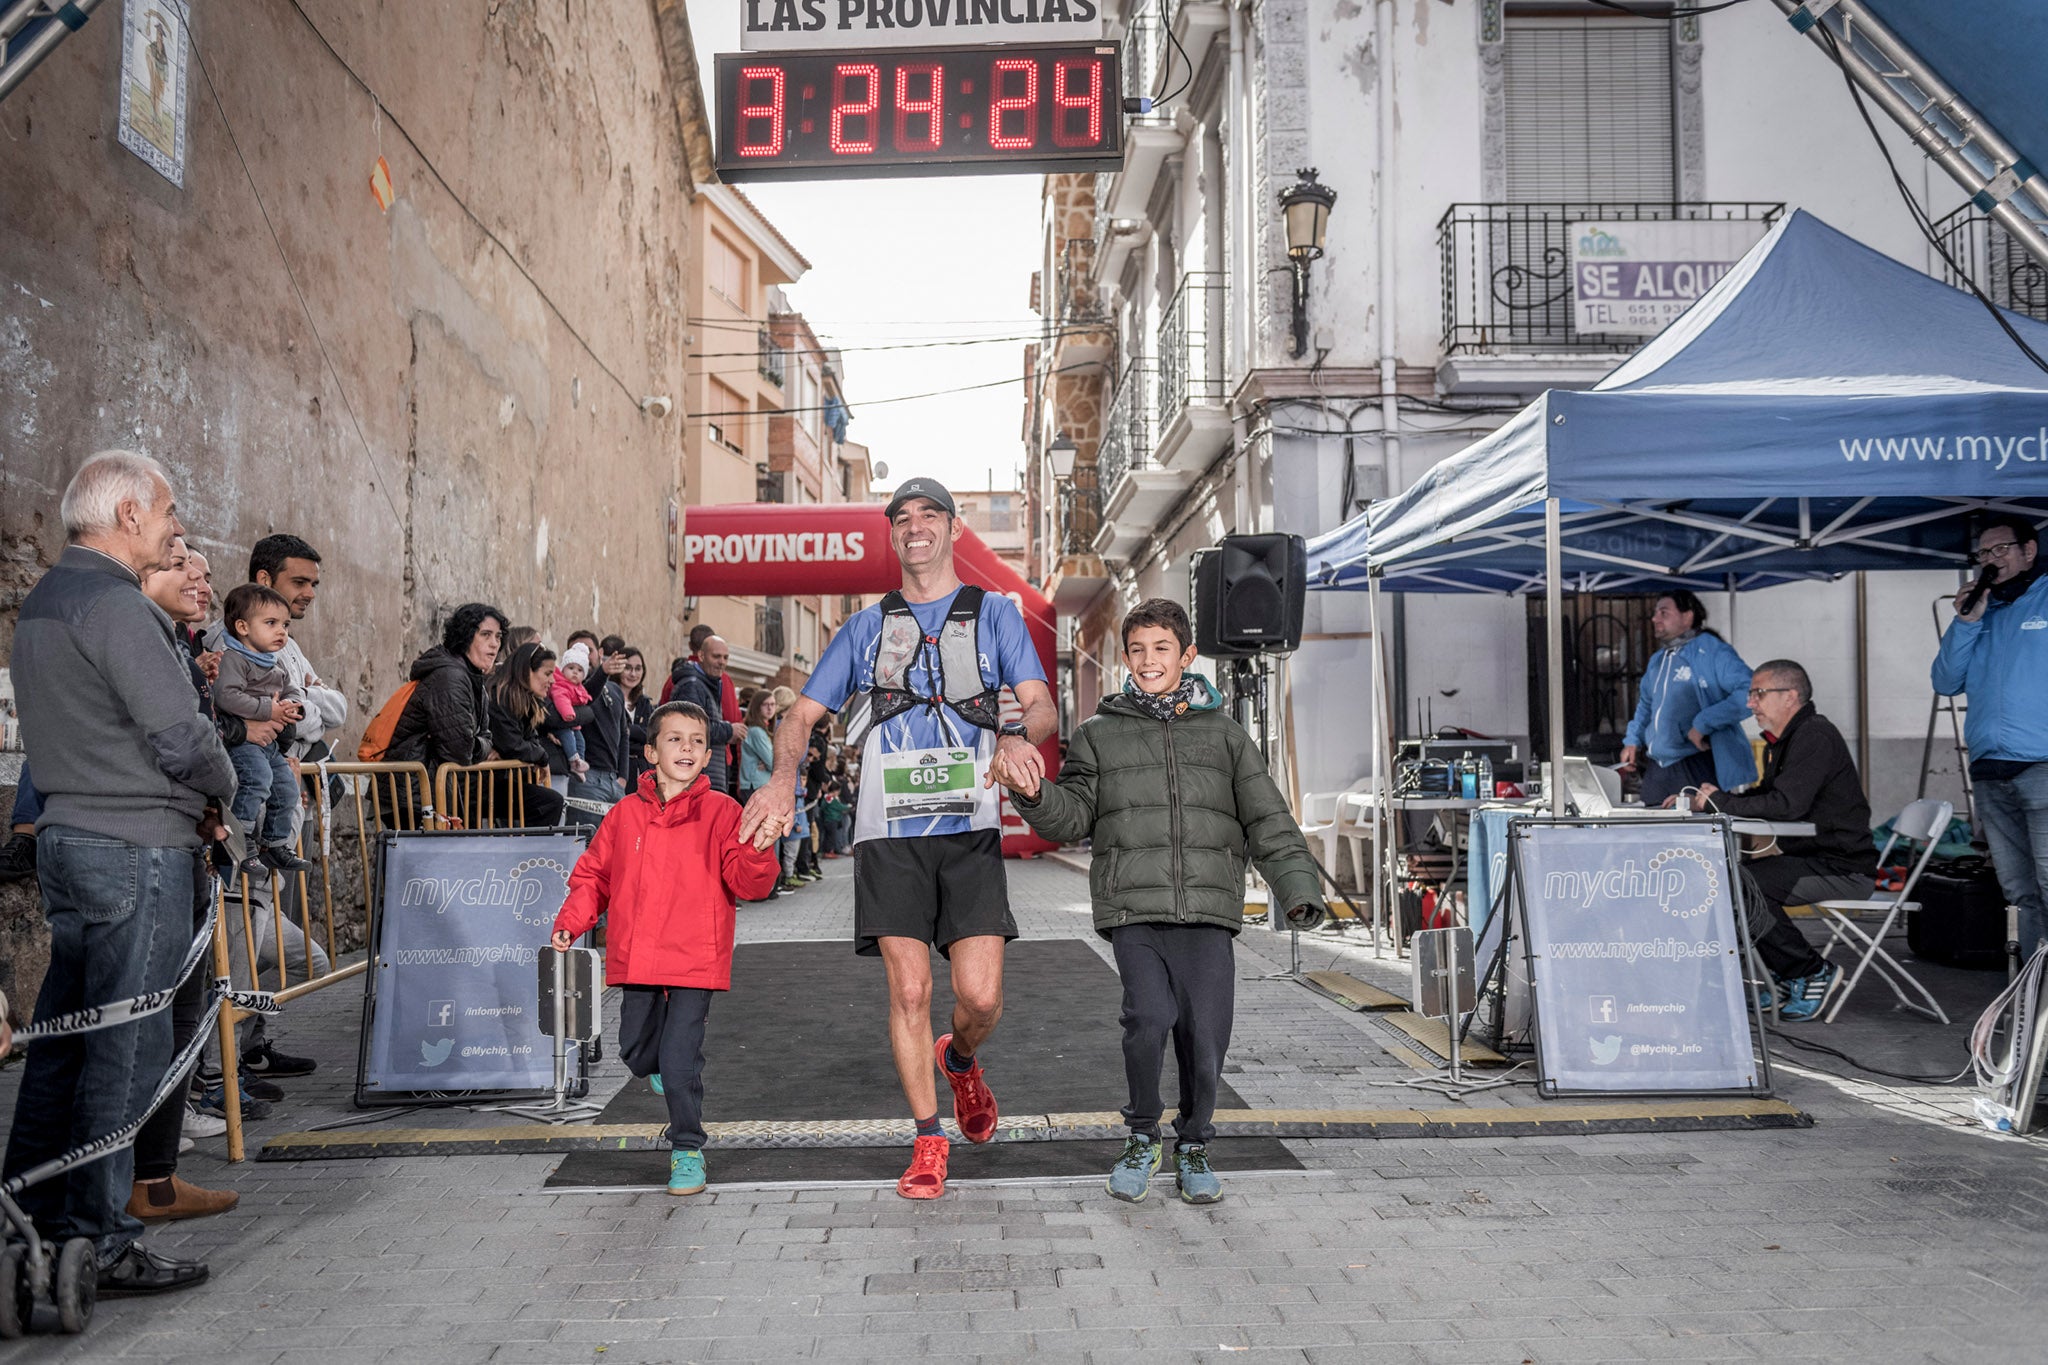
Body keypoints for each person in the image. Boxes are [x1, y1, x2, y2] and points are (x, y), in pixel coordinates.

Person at [740, 477, 1057, 1201]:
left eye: (929, 515)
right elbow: (799, 717)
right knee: (909, 989)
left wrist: (1014, 736)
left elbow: (1040, 707)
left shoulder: (995, 615)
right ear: (894, 534)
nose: (915, 526)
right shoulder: (862, 629)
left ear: (953, 529)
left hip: (970, 827)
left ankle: (963, 1062)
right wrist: (781, 779)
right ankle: (927, 1139)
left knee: (979, 997)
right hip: (889, 833)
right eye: (902, 517)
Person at [994, 599, 1324, 1204]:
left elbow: (1267, 818)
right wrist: (1033, 792)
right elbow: (1071, 818)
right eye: (1139, 650)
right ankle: (1142, 1136)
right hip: (1134, 909)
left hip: (1207, 909)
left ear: (1187, 656)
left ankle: (1193, 1143)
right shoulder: (1099, 735)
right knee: (1147, 1021)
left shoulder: (1226, 736)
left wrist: (1298, 889)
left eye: (1162, 649)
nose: (1149, 660)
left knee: (1205, 1035)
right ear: (1126, 659)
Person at [6, 449, 230, 1295]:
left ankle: (29, 1217)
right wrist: (226, 786)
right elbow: (180, 734)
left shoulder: (45, 603)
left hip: (73, 843)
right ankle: (99, 1238)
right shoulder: (115, 604)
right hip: (134, 850)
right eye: (169, 510)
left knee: (64, 1047)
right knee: (124, 1053)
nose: (177, 528)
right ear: (129, 514)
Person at [550, 702, 786, 1195]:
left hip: (695, 958)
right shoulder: (624, 814)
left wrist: (761, 849)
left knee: (680, 1063)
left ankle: (686, 1148)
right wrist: (573, 922)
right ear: (651, 751)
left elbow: (748, 882)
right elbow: (594, 876)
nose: (687, 748)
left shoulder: (723, 811)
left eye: (697, 741)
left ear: (707, 755)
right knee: (635, 1052)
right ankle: (659, 1070)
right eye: (674, 739)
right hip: (638, 958)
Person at [126, 538, 241, 1221]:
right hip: (149, 848)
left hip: (183, 840)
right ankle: (131, 1187)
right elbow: (186, 741)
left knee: (180, 1017)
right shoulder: (134, 632)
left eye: (202, 574)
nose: (198, 583)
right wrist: (221, 785)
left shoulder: (170, 640)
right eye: (180, 567)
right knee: (146, 1027)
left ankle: (155, 1176)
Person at [1685, 660, 1862, 1021]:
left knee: (1746, 886)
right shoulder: (1787, 740)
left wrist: (1719, 801)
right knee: (1736, 881)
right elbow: (1764, 795)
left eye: (1758, 693)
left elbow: (1787, 805)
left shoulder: (1814, 735)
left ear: (1791, 696)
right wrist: (1713, 798)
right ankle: (1784, 974)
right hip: (1810, 858)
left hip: (1842, 866)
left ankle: (1811, 971)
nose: (1751, 703)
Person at [1934, 516, 2048, 959]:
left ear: (2029, 551)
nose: (1991, 560)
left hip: (2041, 763)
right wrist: (1966, 623)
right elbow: (1945, 682)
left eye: (2001, 549)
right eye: (1983, 553)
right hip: (1988, 769)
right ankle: (2033, 994)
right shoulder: (1980, 612)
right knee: (2019, 890)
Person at [212, 584, 317, 879]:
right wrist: (268, 710)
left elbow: (290, 687)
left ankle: (275, 843)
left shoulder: (272, 661)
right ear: (243, 627)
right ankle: (240, 841)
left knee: (285, 787)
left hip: (268, 743)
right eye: (271, 624)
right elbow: (226, 697)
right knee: (257, 779)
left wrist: (293, 704)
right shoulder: (233, 659)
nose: (281, 632)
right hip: (243, 743)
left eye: (284, 625)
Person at [1619, 590, 1756, 807]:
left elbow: (1750, 692)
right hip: (1658, 765)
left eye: (1664, 613)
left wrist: (1705, 722)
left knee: (1697, 835)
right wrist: (1632, 740)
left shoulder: (1712, 651)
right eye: (1655, 613)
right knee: (1648, 831)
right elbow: (1646, 705)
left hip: (1695, 762)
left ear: (1687, 617)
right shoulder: (1658, 660)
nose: (1655, 619)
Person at [386, 603, 507, 773]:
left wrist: (477, 742)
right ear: (465, 638)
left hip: (430, 783)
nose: (494, 644)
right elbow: (460, 752)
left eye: (498, 636)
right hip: (412, 788)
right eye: (486, 635)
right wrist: (481, 745)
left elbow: (484, 737)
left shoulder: (472, 678)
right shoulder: (450, 677)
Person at [486, 642, 571, 828]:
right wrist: (541, 757)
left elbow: (530, 740)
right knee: (550, 802)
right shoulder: (500, 697)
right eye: (547, 674)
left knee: (550, 802)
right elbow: (513, 745)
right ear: (527, 671)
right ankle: (533, 856)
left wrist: (533, 754)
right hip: (480, 786)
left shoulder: (523, 701)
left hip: (501, 781)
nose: (553, 681)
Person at [670, 636, 742, 797]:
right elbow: (692, 729)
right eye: (716, 656)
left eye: (725, 657)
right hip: (696, 780)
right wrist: (729, 731)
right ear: (701, 656)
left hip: (707, 777)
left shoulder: (708, 684)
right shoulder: (693, 685)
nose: (722, 662)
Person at [574, 635, 635, 807]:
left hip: (614, 782)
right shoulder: (572, 691)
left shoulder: (615, 689)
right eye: (576, 651)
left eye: (588, 650)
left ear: (599, 652)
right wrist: (603, 672)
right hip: (587, 780)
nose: (583, 656)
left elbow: (624, 734)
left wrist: (622, 777)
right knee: (587, 834)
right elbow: (585, 698)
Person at [551, 643, 595, 780]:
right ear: (563, 669)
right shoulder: (561, 684)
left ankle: (579, 763)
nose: (575, 672)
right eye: (571, 668)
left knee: (581, 741)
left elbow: (584, 700)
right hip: (564, 723)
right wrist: (568, 713)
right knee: (569, 738)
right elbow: (561, 699)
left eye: (580, 670)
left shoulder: (579, 687)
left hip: (574, 724)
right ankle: (573, 760)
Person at [621, 648, 655, 786]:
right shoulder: (608, 697)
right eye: (628, 668)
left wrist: (629, 731)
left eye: (638, 668)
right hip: (617, 770)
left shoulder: (645, 703)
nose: (633, 674)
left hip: (641, 771)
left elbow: (652, 736)